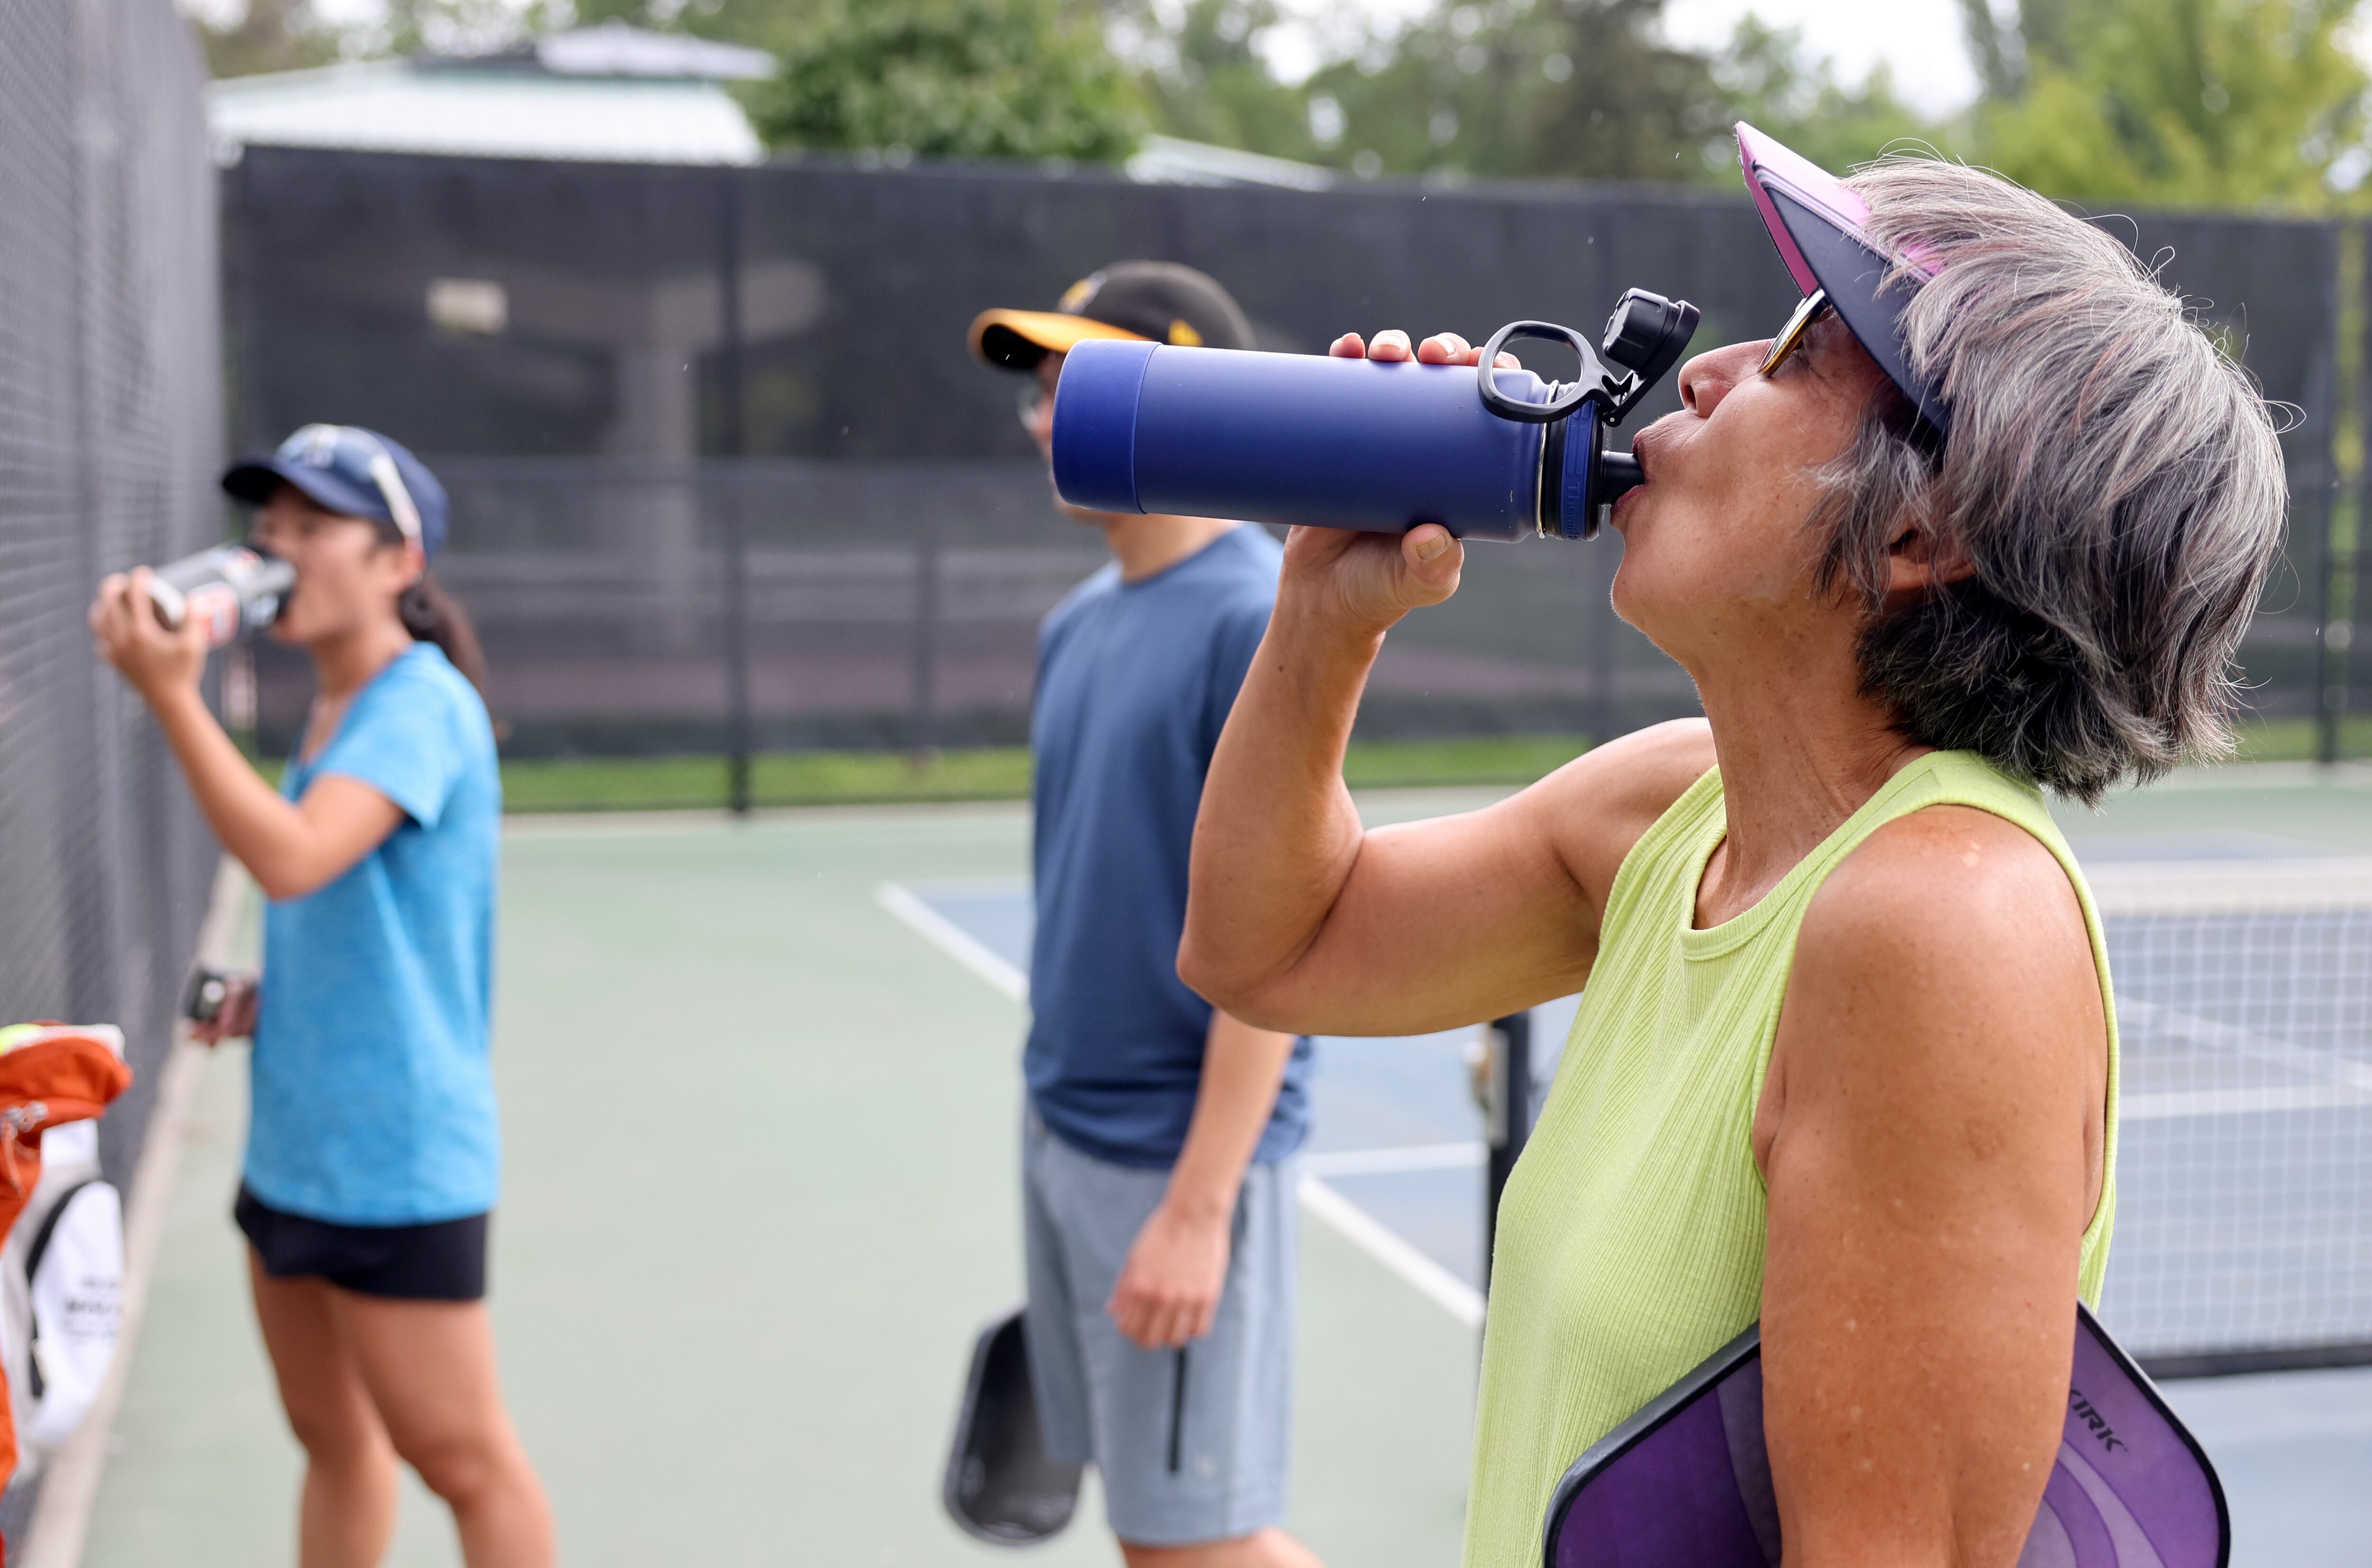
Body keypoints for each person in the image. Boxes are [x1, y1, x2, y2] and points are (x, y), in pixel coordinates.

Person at [1178, 127, 2287, 1568]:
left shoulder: (1945, 926)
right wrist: (1330, 615)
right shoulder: (1674, 811)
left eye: (1799, 355)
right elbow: (1273, 945)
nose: (1704, 370)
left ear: (1922, 534)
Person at [89, 424, 553, 1568]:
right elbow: (355, 902)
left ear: (399, 562)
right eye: (268, 528)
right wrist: (276, 989)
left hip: (394, 1166)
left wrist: (171, 697)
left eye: (312, 527)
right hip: (296, 1145)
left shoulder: (422, 705)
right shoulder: (338, 703)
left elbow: (295, 857)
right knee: (332, 1442)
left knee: (462, 1463)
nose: (277, 551)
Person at [968, 264, 1324, 1568]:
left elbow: (1273, 934)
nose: (1046, 418)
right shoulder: (1078, 625)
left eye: (1081, 385)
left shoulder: (1253, 620)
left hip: (1178, 1157)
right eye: (1045, 391)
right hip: (1065, 1126)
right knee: (1151, 1529)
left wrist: (1198, 1202)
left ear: (1177, 407)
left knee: (1203, 1542)